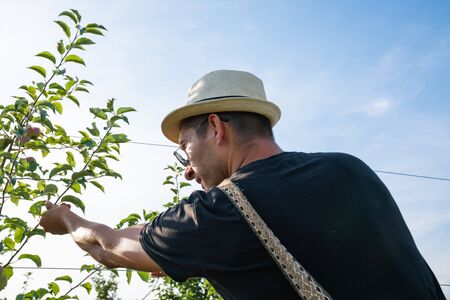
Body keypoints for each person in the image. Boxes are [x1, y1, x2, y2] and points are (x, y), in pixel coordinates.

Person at [40, 70, 445, 299]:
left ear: (215, 128)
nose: (186, 168)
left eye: (185, 147)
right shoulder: (350, 169)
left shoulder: (223, 213)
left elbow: (108, 246)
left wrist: (68, 219)